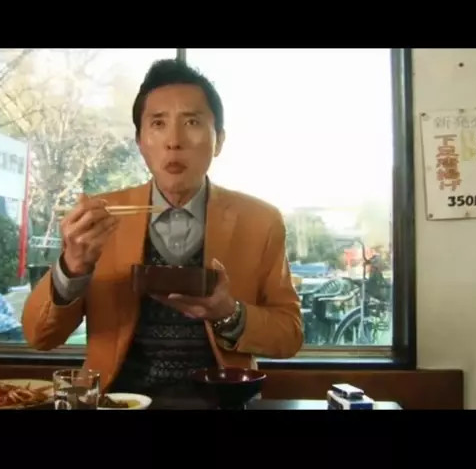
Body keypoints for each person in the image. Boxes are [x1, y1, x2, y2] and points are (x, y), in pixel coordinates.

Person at [22, 58, 303, 404]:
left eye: (192, 122)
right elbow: (39, 336)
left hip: (222, 401)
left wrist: (228, 312)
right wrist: (73, 267)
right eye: (158, 123)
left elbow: (290, 335)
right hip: (114, 400)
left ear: (219, 140)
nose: (174, 141)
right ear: (140, 141)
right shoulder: (100, 218)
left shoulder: (260, 221)